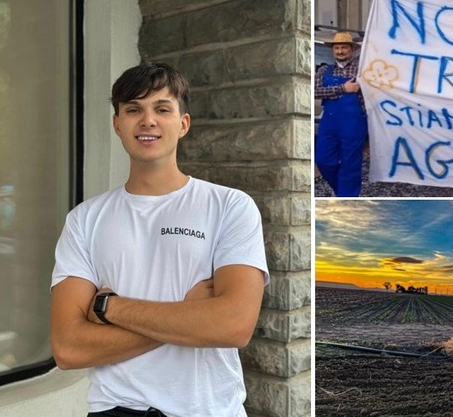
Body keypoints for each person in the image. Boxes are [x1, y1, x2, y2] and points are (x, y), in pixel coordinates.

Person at [50, 63, 269, 416]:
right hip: (116, 409)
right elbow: (68, 348)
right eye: (133, 109)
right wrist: (192, 315)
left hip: (206, 408)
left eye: (162, 109)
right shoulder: (85, 220)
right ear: (117, 124)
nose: (147, 120)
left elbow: (233, 325)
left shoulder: (229, 206)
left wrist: (110, 309)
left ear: (183, 124)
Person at [314, 31, 368, 197]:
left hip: (354, 124)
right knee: (323, 160)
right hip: (329, 125)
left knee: (350, 165)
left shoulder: (362, 70)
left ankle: (347, 198)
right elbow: (315, 92)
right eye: (337, 48)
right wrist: (342, 89)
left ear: (352, 49)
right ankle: (342, 191)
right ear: (333, 50)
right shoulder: (324, 70)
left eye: (344, 47)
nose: (340, 51)